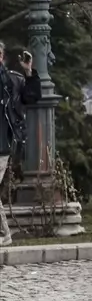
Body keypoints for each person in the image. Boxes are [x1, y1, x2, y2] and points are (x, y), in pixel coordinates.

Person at [0, 49, 40, 247]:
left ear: (1, 56)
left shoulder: (12, 81)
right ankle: (5, 234)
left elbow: (32, 97)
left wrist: (29, 72)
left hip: (3, 145)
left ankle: (5, 234)